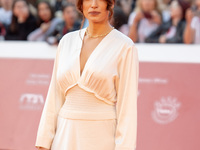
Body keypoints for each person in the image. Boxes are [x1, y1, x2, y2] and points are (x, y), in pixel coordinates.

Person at [35, 0, 139, 149]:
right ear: (81, 4)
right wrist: (44, 141)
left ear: (110, 4)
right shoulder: (66, 42)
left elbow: (127, 108)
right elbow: (54, 96)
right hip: (65, 134)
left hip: (101, 135)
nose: (94, 4)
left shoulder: (125, 46)